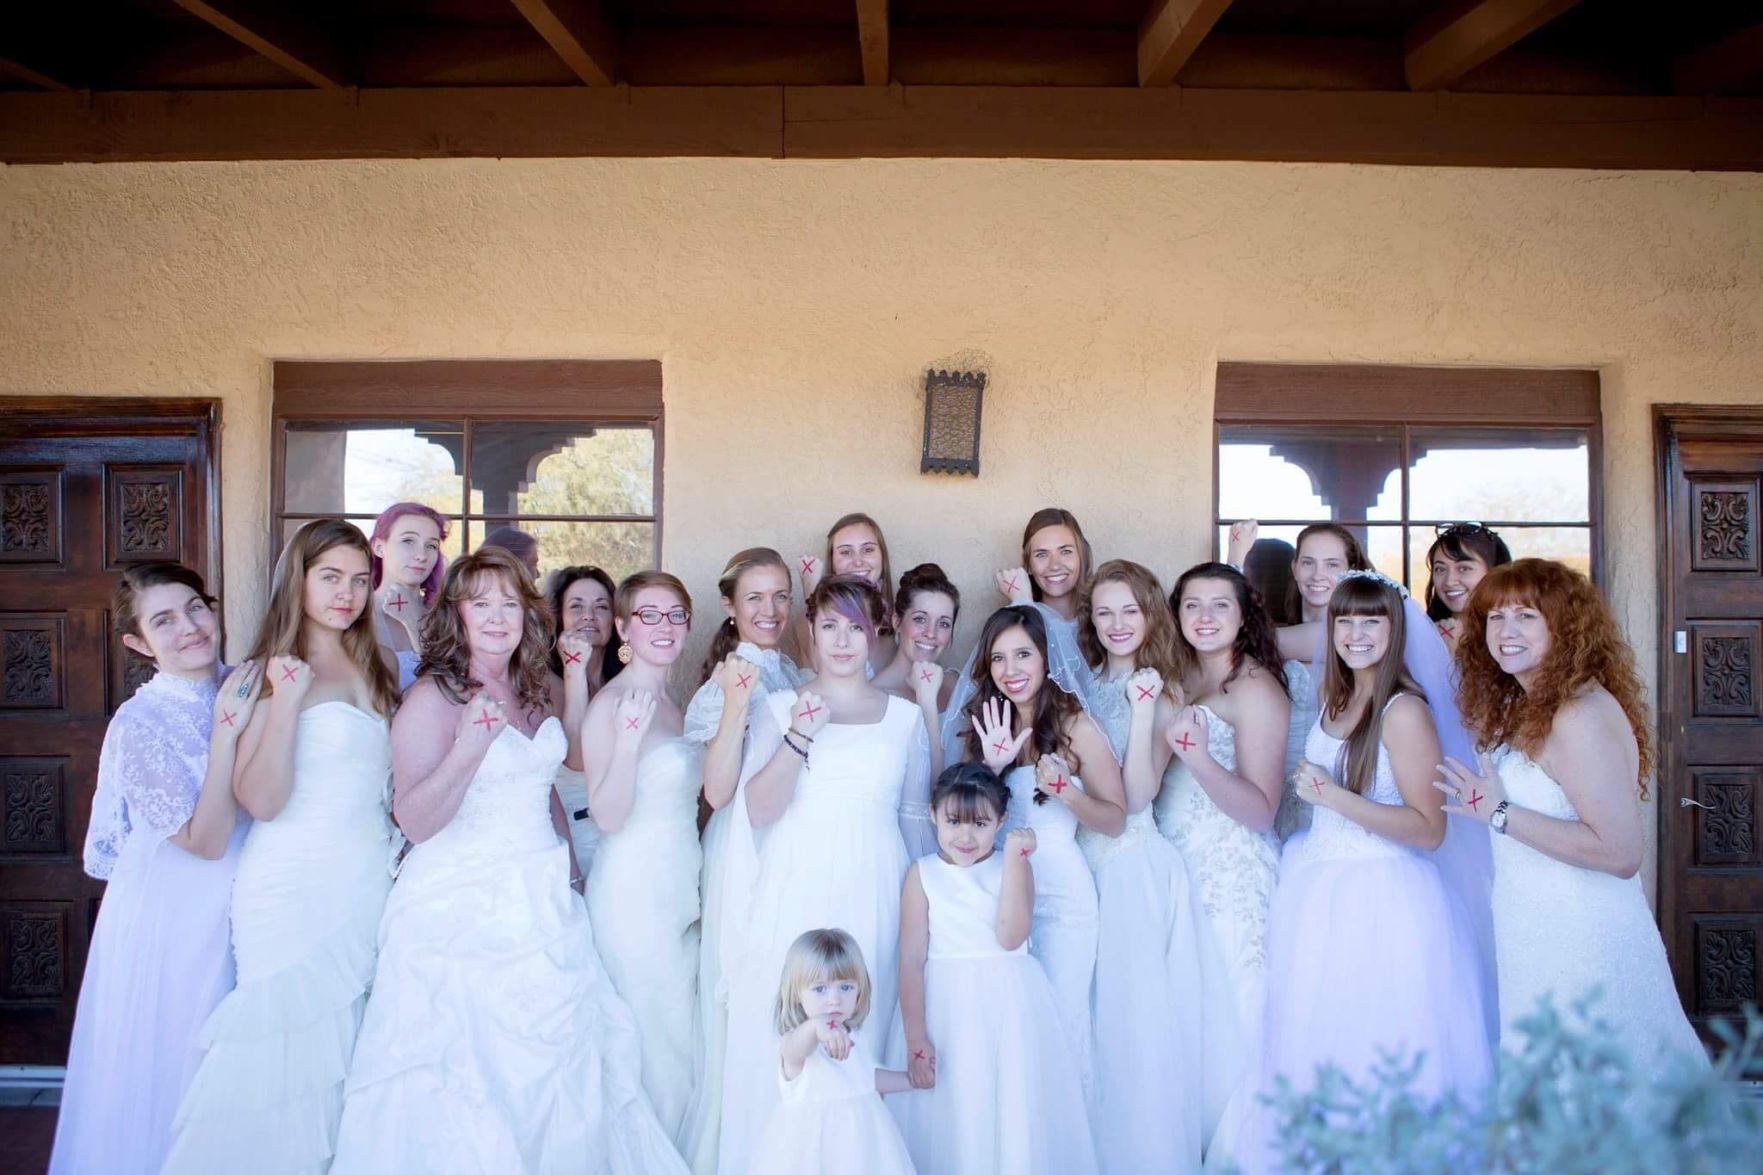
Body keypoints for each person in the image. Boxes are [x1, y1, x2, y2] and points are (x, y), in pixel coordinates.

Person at [329, 547, 688, 1173]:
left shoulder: (535, 687)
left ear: (527, 613)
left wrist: (572, 867)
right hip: (459, 910)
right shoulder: (432, 697)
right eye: (480, 603)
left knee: (562, 1065)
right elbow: (413, 819)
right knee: (469, 1078)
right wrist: (469, 747)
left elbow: (549, 776)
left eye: (509, 602)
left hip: (544, 897)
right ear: (457, 616)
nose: (498, 616)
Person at [1225, 570, 1492, 1173]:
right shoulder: (1337, 699)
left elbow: (1430, 828)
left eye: (1371, 620)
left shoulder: (1403, 711)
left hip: (1383, 897)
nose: (1356, 633)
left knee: (1378, 1041)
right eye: (1345, 620)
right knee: (1319, 1038)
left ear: (1395, 628)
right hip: (1318, 889)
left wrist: (1334, 796)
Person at [164, 520, 399, 1174]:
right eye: (330, 577)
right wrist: (290, 701)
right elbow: (261, 800)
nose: (346, 593)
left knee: (348, 1054)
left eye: (358, 579)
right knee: (281, 1057)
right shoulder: (265, 672)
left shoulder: (373, 660)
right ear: (297, 579)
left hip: (364, 881)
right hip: (292, 887)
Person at [1442, 558, 1707, 1084]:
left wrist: (1497, 813)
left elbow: (1620, 853)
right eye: (1494, 618)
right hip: (1535, 928)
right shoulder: (1532, 703)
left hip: (1582, 937)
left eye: (1525, 616)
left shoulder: (1579, 714)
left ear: (1563, 625)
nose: (1506, 631)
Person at [50, 565, 260, 1175]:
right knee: (181, 1058)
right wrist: (225, 732)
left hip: (256, 895)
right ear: (139, 643)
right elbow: (203, 839)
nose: (189, 628)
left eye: (195, 608)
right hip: (177, 913)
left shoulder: (250, 683)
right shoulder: (139, 724)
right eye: (164, 620)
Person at [717, 577, 928, 1175]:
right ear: (809, 632)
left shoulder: (906, 718)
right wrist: (800, 735)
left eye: (856, 627)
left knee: (863, 1034)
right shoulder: (780, 708)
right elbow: (756, 810)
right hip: (796, 884)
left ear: (876, 634)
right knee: (790, 1027)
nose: (842, 640)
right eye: (830, 626)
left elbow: (917, 833)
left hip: (876, 889)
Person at [1077, 560, 1220, 1174]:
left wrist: (1141, 712)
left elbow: (1138, 796)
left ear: (1151, 615)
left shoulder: (1165, 690)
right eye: (1104, 611)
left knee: (1129, 1022)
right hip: (1078, 860)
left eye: (1129, 611)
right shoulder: (1078, 682)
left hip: (1130, 863)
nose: (1116, 624)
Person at [893, 763, 1099, 1175]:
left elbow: (1010, 936)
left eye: (981, 824)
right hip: (945, 1007)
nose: (965, 837)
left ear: (1001, 821)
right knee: (954, 1109)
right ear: (933, 814)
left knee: (1008, 1105)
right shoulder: (923, 875)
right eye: (953, 821)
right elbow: (911, 959)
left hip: (1007, 1003)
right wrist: (916, 1037)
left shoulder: (1013, 864)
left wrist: (1014, 862)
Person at [678, 547, 808, 1174]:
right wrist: (734, 703)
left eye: (781, 595)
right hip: (739, 847)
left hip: (786, 842)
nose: (770, 609)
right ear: (729, 607)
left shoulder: (788, 667)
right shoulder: (723, 682)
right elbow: (716, 791)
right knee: (744, 992)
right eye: (755, 597)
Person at [961, 604, 1125, 1098]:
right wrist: (991, 768)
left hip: (1062, 899)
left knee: (1060, 1020)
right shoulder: (990, 724)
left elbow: (1115, 819)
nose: (1011, 671)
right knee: (1013, 1027)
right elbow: (969, 821)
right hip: (1002, 895)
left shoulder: (1077, 726)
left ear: (1047, 657)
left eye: (1023, 655)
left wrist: (1067, 794)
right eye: (999, 659)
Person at [1155, 562, 1290, 1147]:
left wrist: (1201, 758)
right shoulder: (1189, 680)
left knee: (1234, 1015)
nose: (1204, 618)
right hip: (1180, 863)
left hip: (1229, 872)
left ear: (1244, 615)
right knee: (1190, 1016)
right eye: (1192, 605)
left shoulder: (1256, 687)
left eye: (1220, 606)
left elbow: (1262, 809)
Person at [582, 571, 703, 1143]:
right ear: (625, 628)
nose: (665, 626)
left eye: (676, 614)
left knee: (680, 1034)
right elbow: (606, 816)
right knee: (655, 1037)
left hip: (681, 882)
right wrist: (628, 742)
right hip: (634, 895)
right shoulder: (611, 703)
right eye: (648, 615)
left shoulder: (673, 702)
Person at [750, 929, 917, 1175]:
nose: (834, 999)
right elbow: (794, 1048)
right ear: (797, 994)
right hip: (811, 1155)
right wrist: (816, 1027)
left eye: (846, 987)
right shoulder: (796, 1045)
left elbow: (867, 1079)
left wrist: (911, 1080)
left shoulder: (853, 1039)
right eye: (820, 989)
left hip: (862, 1147)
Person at [872, 562, 961, 856]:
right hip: (899, 845)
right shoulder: (875, 695)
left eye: (944, 623)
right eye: (920, 619)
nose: (931, 633)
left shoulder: (961, 688)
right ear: (897, 621)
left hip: (963, 842)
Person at [546, 564, 623, 878]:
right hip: (575, 833)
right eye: (576, 606)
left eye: (601, 607)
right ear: (558, 618)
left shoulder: (626, 681)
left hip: (626, 830)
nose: (589, 615)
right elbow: (576, 759)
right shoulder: (546, 684)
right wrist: (574, 671)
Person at [796, 512, 899, 670]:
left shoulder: (899, 621)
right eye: (845, 552)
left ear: (882, 557)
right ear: (832, 562)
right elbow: (821, 667)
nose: (858, 561)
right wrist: (812, 592)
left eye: (868, 550)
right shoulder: (805, 620)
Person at [368, 502, 448, 689]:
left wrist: (414, 622)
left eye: (431, 545)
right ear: (379, 547)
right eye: (408, 541)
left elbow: (451, 684)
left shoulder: (446, 616)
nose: (421, 555)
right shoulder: (355, 613)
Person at [1425, 522, 1512, 653]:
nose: (1449, 581)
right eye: (1440, 569)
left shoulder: (1513, 634)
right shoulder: (1422, 632)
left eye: (1464, 568)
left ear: (1495, 571)